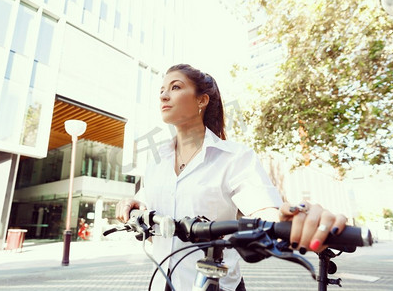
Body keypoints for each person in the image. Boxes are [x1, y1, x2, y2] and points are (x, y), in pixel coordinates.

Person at [116, 64, 347, 291]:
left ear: (201, 100)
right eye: (162, 90)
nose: (164, 96)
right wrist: (133, 204)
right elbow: (147, 203)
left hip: (217, 285)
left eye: (175, 87)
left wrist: (290, 222)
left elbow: (263, 211)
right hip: (161, 282)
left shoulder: (234, 157)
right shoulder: (157, 161)